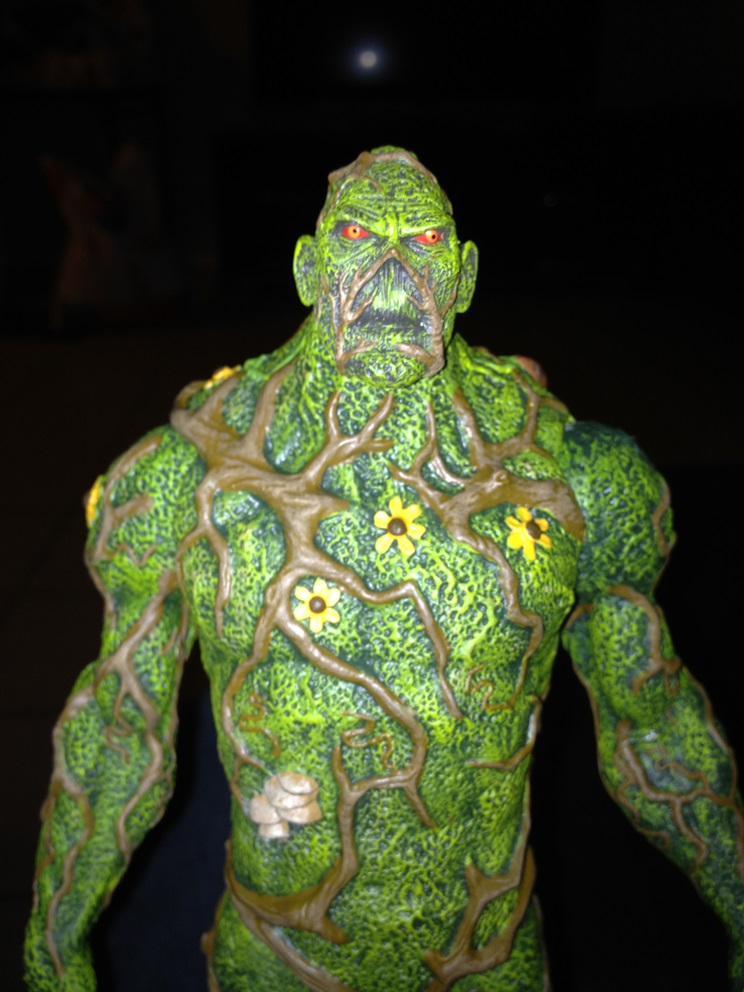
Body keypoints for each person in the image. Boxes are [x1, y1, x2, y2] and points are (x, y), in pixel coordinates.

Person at [25, 147, 744, 991]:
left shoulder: (575, 477)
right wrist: (53, 949)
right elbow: (120, 730)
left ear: (464, 278)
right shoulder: (186, 480)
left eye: (424, 244)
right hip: (278, 959)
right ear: (308, 268)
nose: (393, 276)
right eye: (360, 239)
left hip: (489, 959)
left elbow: (651, 718)